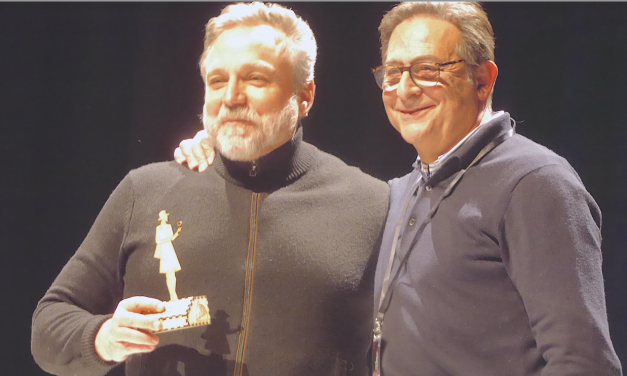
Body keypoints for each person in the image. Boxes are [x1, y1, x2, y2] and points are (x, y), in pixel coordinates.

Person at [174, 2, 622, 375]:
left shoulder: (533, 182)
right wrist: (227, 146)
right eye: (393, 72)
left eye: (428, 70)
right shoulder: (399, 192)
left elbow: (582, 361)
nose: (405, 89)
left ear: (482, 79)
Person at [30, 3, 389, 376]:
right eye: (217, 81)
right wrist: (102, 337)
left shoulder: (370, 204)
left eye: (256, 79)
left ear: (305, 95)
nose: (231, 97)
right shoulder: (147, 190)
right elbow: (49, 325)